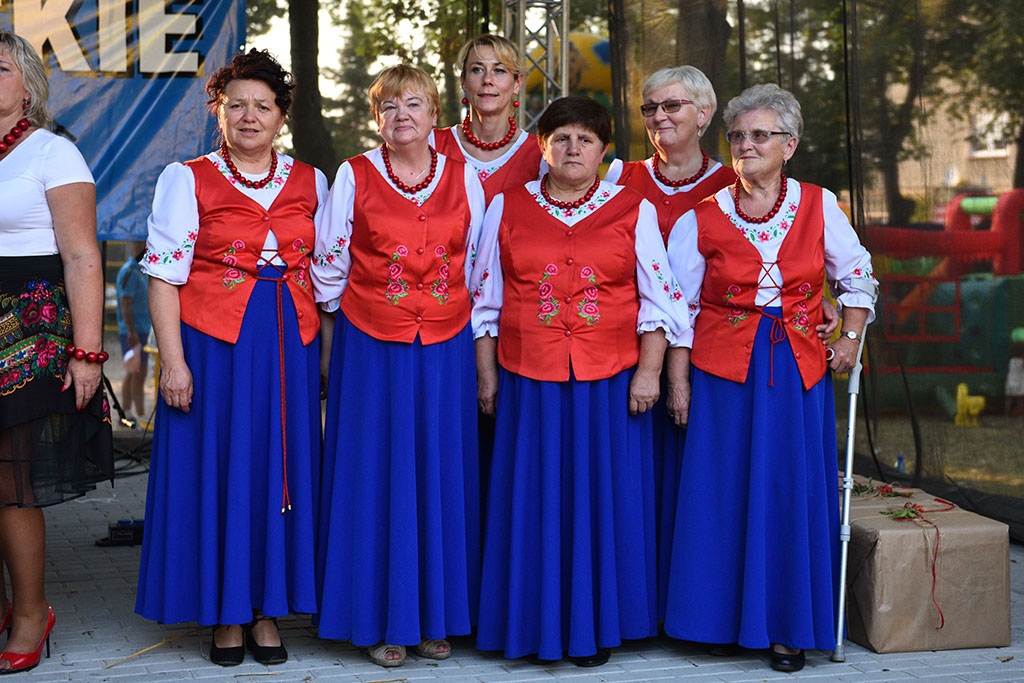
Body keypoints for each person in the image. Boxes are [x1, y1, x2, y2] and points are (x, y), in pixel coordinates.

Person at [663, 83, 878, 672]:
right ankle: (715, 621)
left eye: (760, 135)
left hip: (798, 368)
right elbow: (675, 306)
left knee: (789, 489)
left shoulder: (818, 204)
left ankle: (787, 626)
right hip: (721, 370)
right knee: (720, 490)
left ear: (791, 144)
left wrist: (851, 338)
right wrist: (676, 380)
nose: (746, 145)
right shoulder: (700, 217)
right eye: (737, 136)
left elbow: (856, 273)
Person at [472, 96, 689, 666]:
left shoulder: (631, 208)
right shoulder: (506, 206)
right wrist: (488, 377)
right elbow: (486, 299)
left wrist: (648, 372)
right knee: (533, 499)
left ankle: (593, 628)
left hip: (607, 381)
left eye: (586, 140)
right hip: (529, 379)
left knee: (601, 501)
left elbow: (659, 299)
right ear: (541, 146)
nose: (573, 149)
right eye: (561, 138)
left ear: (604, 150)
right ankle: (532, 626)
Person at [135, 49, 328, 667]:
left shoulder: (311, 181)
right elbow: (165, 276)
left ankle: (267, 609)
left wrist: (324, 358)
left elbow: (329, 277)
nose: (250, 116)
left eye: (262, 106)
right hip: (215, 346)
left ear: (281, 117)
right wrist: (173, 361)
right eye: (236, 104)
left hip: (288, 350)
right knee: (221, 471)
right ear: (218, 112)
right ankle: (224, 613)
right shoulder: (185, 178)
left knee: (280, 473)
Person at [311, 64, 485, 668]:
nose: (402, 115)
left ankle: (435, 617)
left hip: (445, 346)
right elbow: (328, 268)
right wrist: (335, 353)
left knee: (439, 473)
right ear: (375, 118)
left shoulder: (468, 181)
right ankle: (381, 615)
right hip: (371, 345)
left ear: (437, 113)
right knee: (375, 474)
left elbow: (480, 271)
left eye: (414, 103)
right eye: (389, 106)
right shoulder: (353, 175)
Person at [605, 65, 737, 622]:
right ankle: (635, 606)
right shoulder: (615, 175)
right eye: (650, 107)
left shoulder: (736, 182)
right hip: (617, 348)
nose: (660, 116)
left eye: (673, 106)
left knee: (693, 479)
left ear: (703, 114)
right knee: (629, 478)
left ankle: (689, 606)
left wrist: (822, 300)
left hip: (704, 351)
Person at [0, 30, 113, 674]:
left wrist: (88, 351)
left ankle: (30, 612)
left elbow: (81, 256)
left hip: (31, 330)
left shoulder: (53, 152)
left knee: (12, 479)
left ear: (28, 84)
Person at [431, 34, 543, 204]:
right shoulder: (433, 145)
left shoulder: (540, 154)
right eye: (477, 69)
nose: (488, 80)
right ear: (463, 81)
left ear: (517, 83)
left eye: (499, 70)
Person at [116, 246, 151, 420]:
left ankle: (137, 413)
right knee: (134, 372)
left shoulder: (140, 271)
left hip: (142, 329)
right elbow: (125, 303)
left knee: (139, 373)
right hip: (134, 332)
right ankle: (131, 413)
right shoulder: (129, 272)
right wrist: (131, 331)